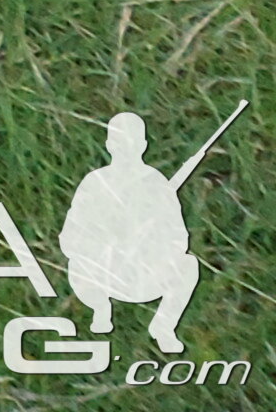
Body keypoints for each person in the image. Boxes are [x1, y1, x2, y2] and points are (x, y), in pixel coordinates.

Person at [63, 112, 208, 354]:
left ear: (143, 145)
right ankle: (100, 309)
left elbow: (179, 238)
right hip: (103, 276)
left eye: (132, 141)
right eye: (120, 142)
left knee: (188, 265)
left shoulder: (156, 183)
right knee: (77, 265)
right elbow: (71, 236)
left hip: (146, 276)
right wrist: (108, 242)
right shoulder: (95, 182)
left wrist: (150, 241)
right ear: (110, 145)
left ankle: (163, 326)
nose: (126, 149)